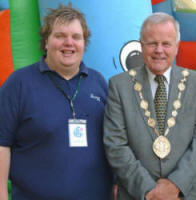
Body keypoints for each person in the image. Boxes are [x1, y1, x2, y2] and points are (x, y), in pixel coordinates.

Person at [0, 4, 113, 199]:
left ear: (84, 43)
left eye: (76, 37)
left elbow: (114, 142)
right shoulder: (18, 84)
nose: (69, 43)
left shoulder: (99, 82)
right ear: (46, 41)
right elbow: (2, 145)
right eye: (60, 36)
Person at [103, 12, 196, 200]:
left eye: (166, 43)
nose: (159, 50)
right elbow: (116, 145)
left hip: (186, 194)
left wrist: (175, 185)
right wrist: (149, 191)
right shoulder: (119, 86)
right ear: (141, 45)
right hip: (137, 195)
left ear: (177, 47)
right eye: (152, 43)